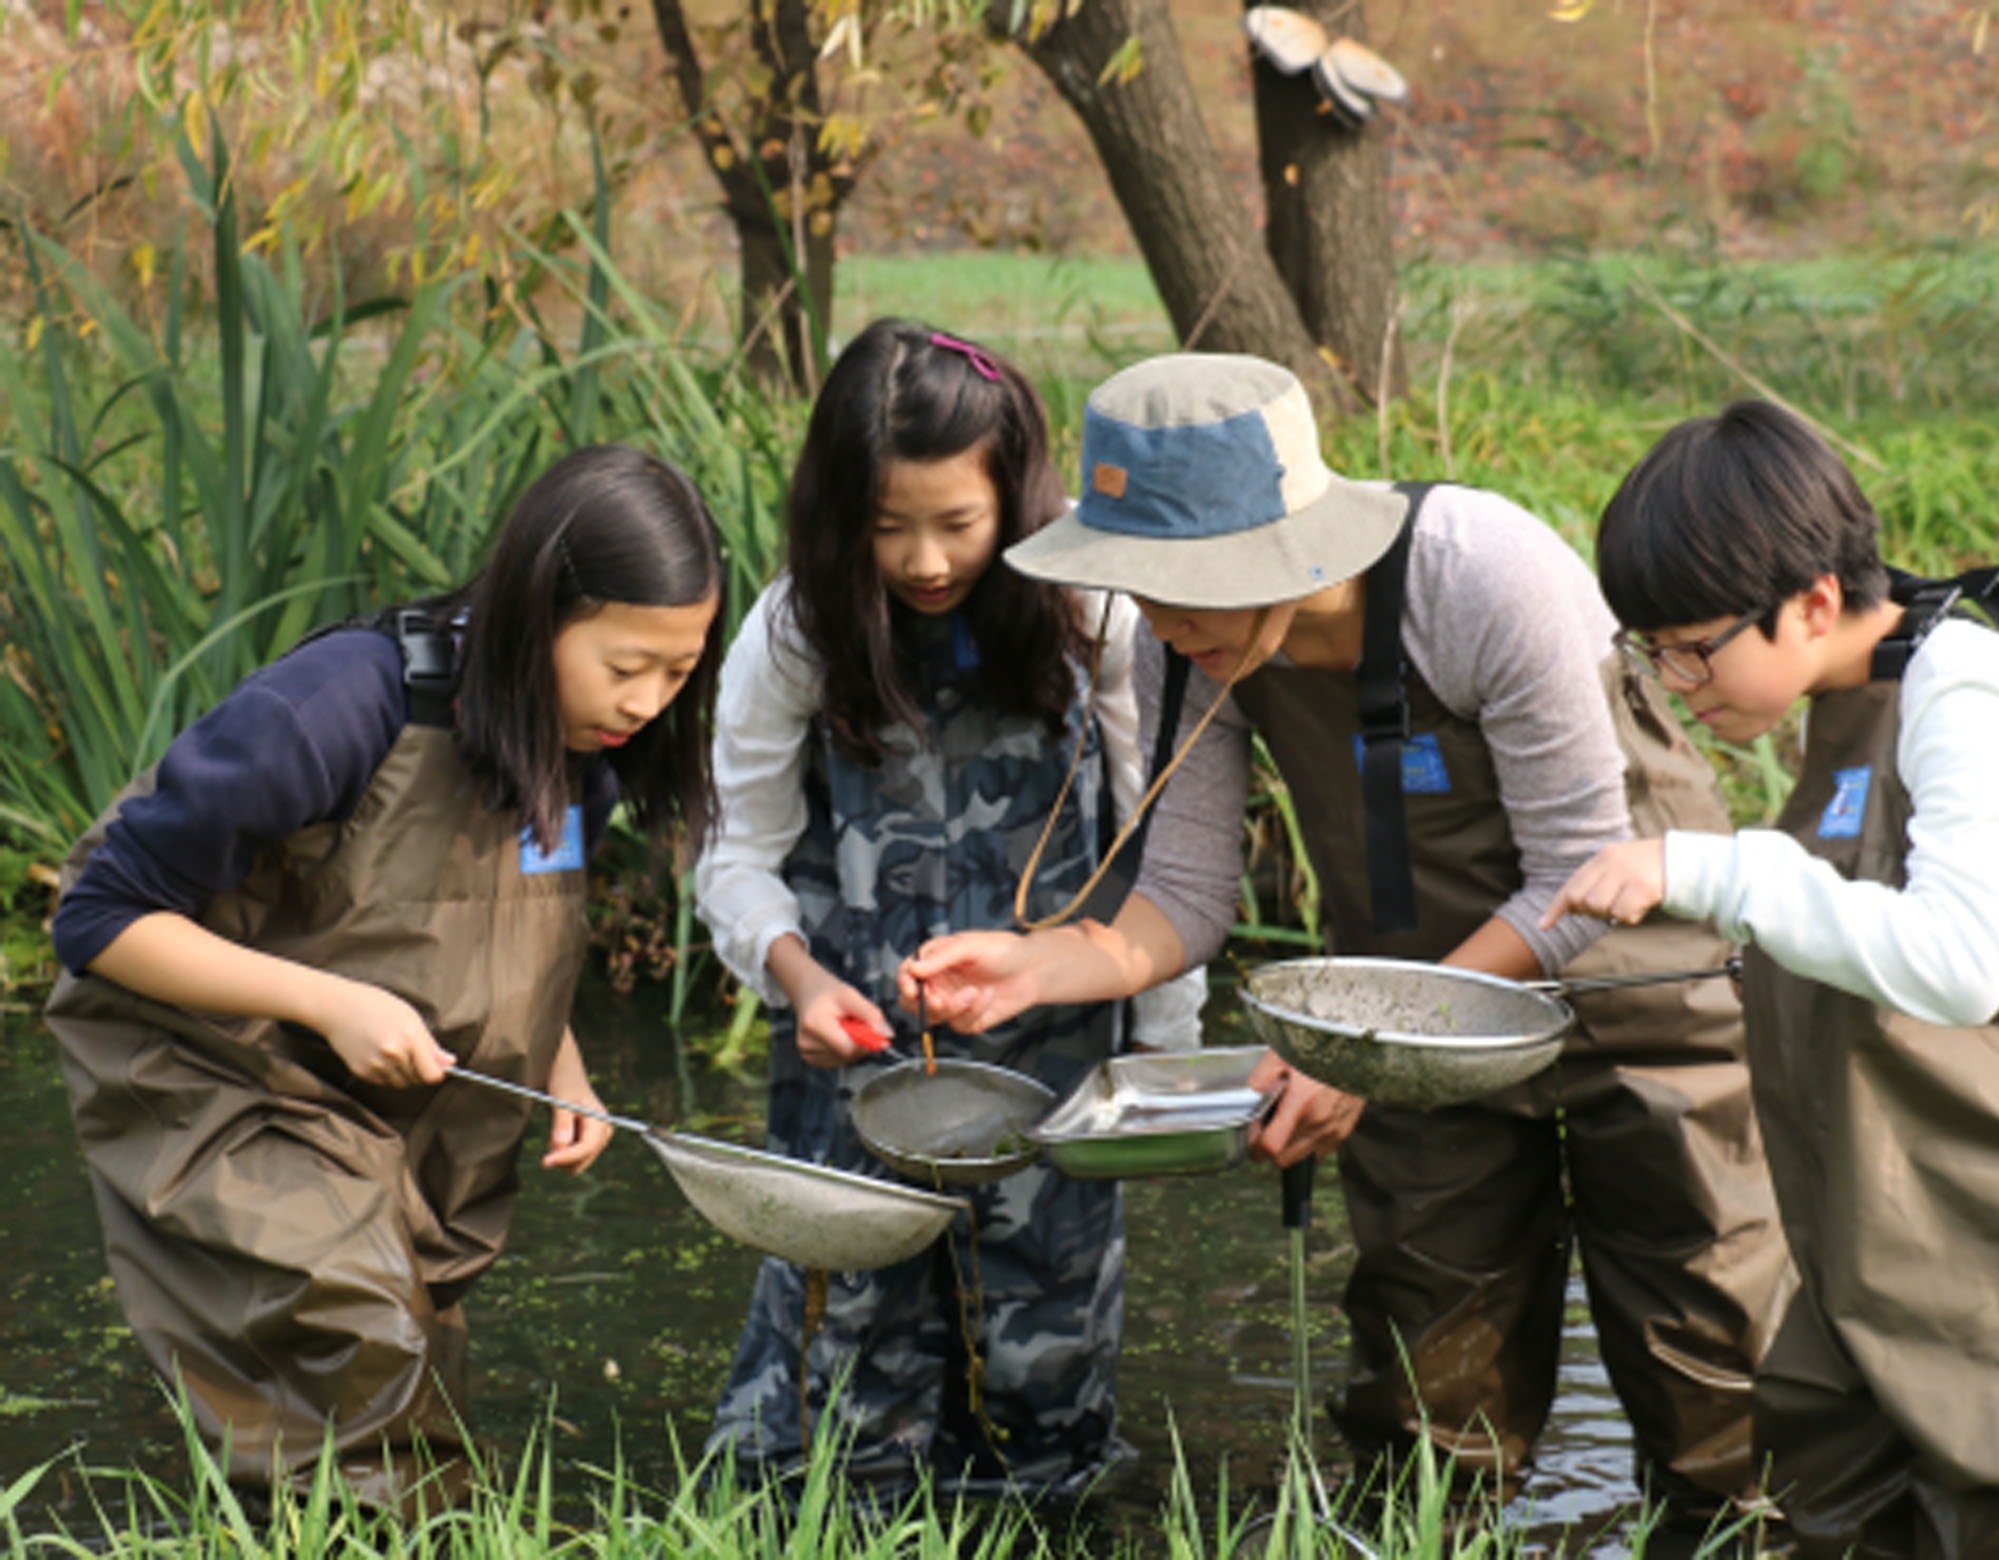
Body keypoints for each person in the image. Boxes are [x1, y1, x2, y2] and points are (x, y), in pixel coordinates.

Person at [905, 353, 1792, 1531]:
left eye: (1188, 587)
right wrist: (1040, 964)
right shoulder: (1185, 640)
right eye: (1140, 589)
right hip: (1411, 1021)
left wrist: (1364, 1045)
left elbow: (1574, 885)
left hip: (1643, 989)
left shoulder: (1481, 577)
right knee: (1432, 1403)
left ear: (1283, 545)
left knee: (1716, 1386)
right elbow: (1183, 893)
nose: (1162, 622)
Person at [1544, 400, 1999, 1558]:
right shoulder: (1867, 682)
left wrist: (1715, 869)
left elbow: (1958, 967)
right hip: (1899, 1249)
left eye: (1690, 648)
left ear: (1812, 600)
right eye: (1646, 649)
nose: (1669, 682)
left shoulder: (1970, 696)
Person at [44, 444, 725, 1513]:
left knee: (407, 1353)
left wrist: (568, 1071)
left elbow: (522, 927)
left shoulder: (580, 740)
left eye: (678, 672)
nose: (646, 700)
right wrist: (327, 1000)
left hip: (398, 1087)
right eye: (625, 663)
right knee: (357, 1323)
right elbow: (94, 921)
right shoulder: (333, 708)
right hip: (209, 1054)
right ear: (532, 613)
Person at [693, 319, 1203, 1504]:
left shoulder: (1099, 613)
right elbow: (733, 850)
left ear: (1015, 502)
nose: (924, 560)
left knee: (1048, 1408)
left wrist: (1164, 1066)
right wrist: (796, 978)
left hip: (1055, 1082)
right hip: (854, 1063)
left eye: (957, 525)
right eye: (886, 528)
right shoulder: (794, 631)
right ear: (837, 517)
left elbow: (1156, 854)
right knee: (840, 1401)